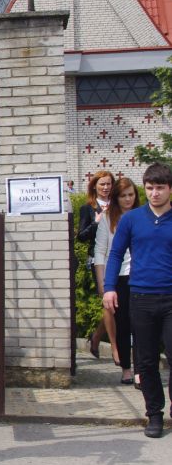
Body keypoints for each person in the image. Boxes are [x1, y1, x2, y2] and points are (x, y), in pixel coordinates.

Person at [103, 163, 172, 439]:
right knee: (145, 360)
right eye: (150, 187)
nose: (154, 193)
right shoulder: (132, 220)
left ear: (170, 189)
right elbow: (116, 254)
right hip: (140, 296)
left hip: (171, 298)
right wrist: (109, 288)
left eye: (160, 188)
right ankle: (154, 415)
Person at [94, 177, 138, 385]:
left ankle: (140, 368)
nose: (128, 199)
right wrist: (103, 283)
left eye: (131, 195)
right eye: (123, 196)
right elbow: (100, 252)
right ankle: (126, 368)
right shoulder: (107, 218)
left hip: (139, 276)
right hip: (118, 277)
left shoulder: (142, 216)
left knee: (141, 324)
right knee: (122, 323)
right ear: (116, 198)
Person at [78, 170, 115, 358]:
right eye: (102, 184)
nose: (106, 188)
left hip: (120, 259)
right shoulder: (88, 208)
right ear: (95, 186)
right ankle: (112, 347)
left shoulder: (117, 205)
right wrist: (96, 223)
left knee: (117, 303)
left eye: (109, 184)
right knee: (108, 302)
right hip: (98, 260)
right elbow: (81, 236)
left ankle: (96, 336)